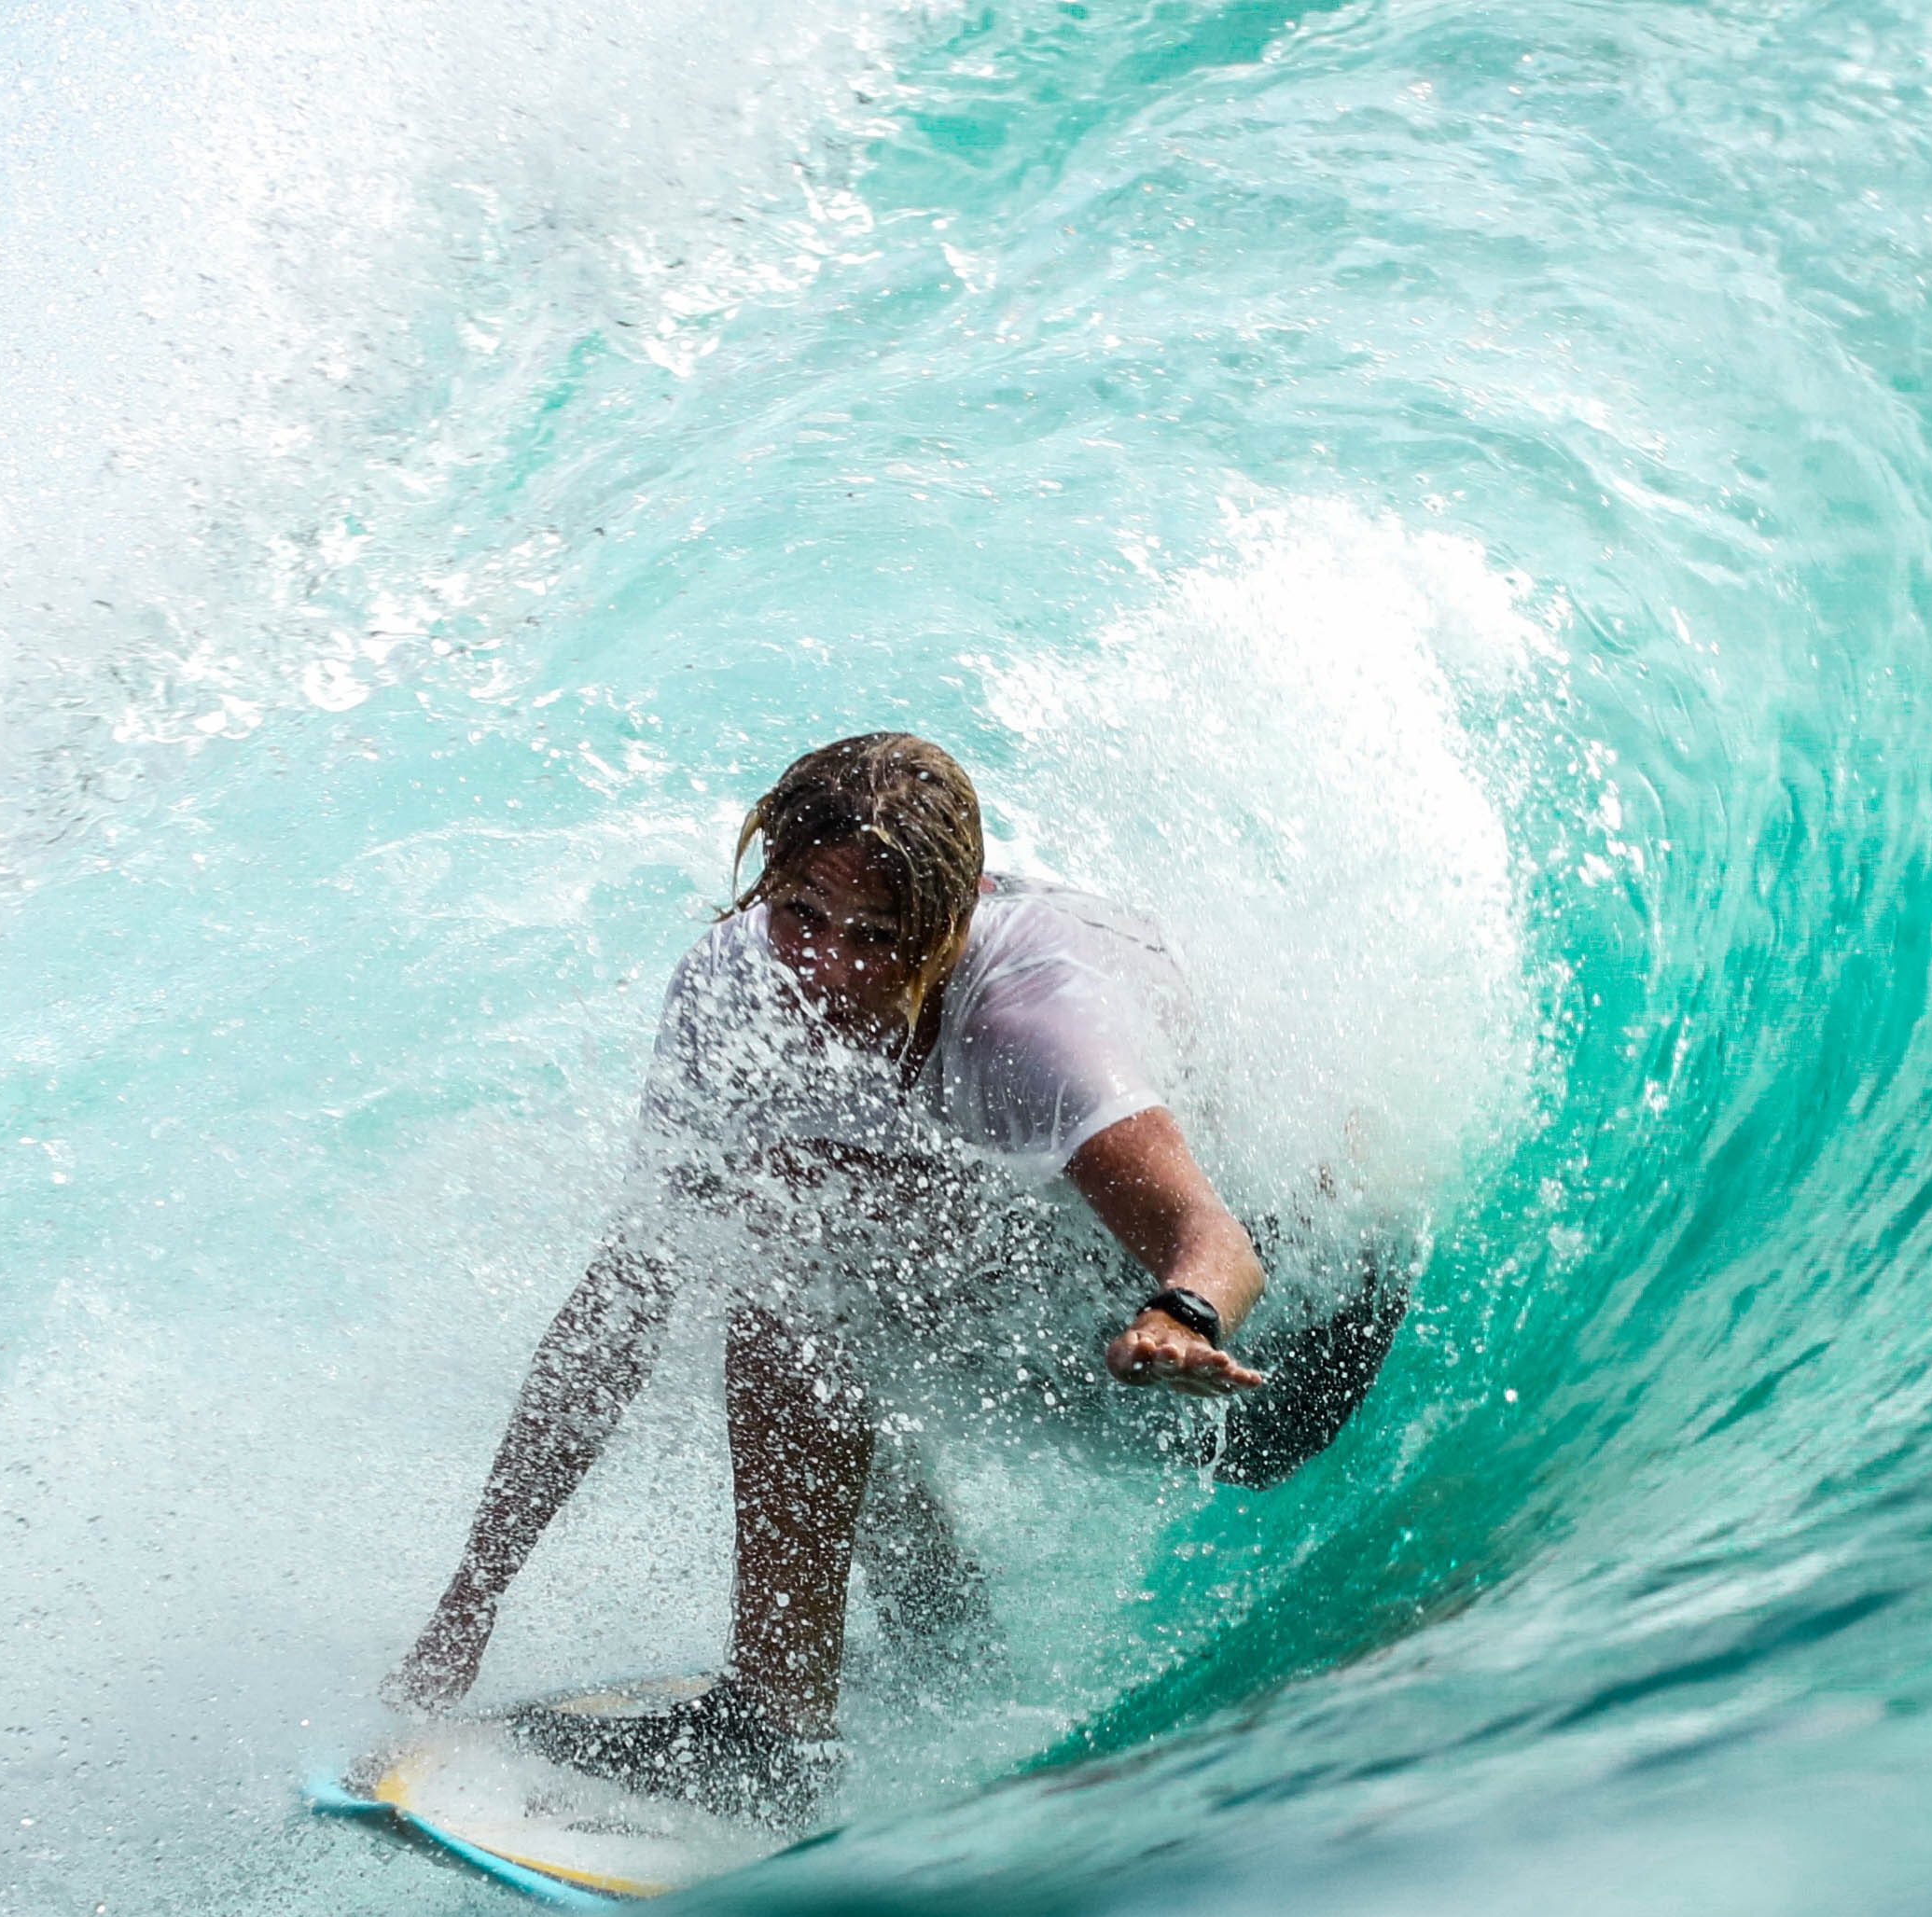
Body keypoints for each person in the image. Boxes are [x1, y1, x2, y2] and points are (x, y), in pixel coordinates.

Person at [387, 731, 1377, 1827]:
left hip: (1270, 1369)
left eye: (878, 937)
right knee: (779, 1229)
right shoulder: (732, 988)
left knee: (798, 1281)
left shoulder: (1031, 1024)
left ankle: (772, 1734)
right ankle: (945, 1644)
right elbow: (619, 1306)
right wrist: (467, 1605)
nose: (826, 968)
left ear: (950, 926)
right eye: (801, 915)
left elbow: (1217, 1240)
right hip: (1081, 1319)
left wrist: (1180, 1317)